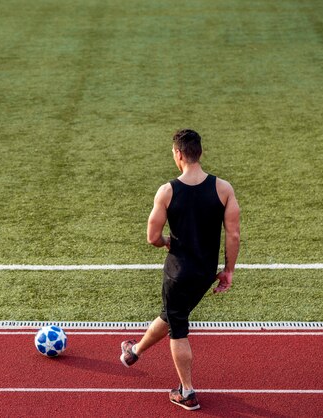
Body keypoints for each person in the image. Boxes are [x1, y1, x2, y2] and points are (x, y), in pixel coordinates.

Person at [120, 129, 240, 411]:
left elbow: (152, 237)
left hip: (178, 273)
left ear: (179, 154)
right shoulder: (223, 188)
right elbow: (233, 235)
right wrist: (228, 271)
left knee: (178, 327)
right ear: (200, 153)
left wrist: (165, 242)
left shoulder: (168, 191)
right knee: (173, 314)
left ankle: (187, 392)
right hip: (205, 271)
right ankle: (133, 352)